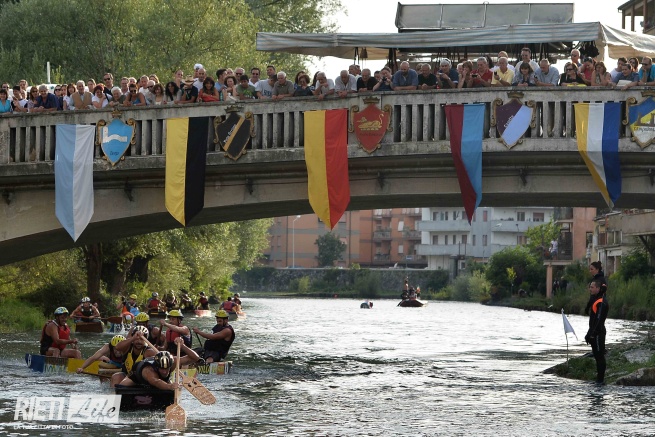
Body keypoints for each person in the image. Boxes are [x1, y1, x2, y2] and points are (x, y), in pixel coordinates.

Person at [117, 339, 200, 390]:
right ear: (157, 366)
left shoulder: (174, 361)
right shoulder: (149, 370)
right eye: (162, 369)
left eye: (167, 368)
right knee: (120, 387)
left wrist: (183, 346)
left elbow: (195, 358)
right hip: (136, 376)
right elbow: (156, 382)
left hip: (161, 381)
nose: (164, 372)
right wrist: (170, 386)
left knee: (166, 383)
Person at [585, 280, 609, 384]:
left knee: (600, 356)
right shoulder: (595, 299)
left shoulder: (601, 302)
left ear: (598, 289)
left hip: (599, 333)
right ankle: (598, 380)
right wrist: (588, 334)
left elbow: (599, 320)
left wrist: (593, 334)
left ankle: (600, 380)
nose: (590, 289)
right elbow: (593, 320)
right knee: (596, 356)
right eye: (590, 287)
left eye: (592, 287)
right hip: (594, 332)